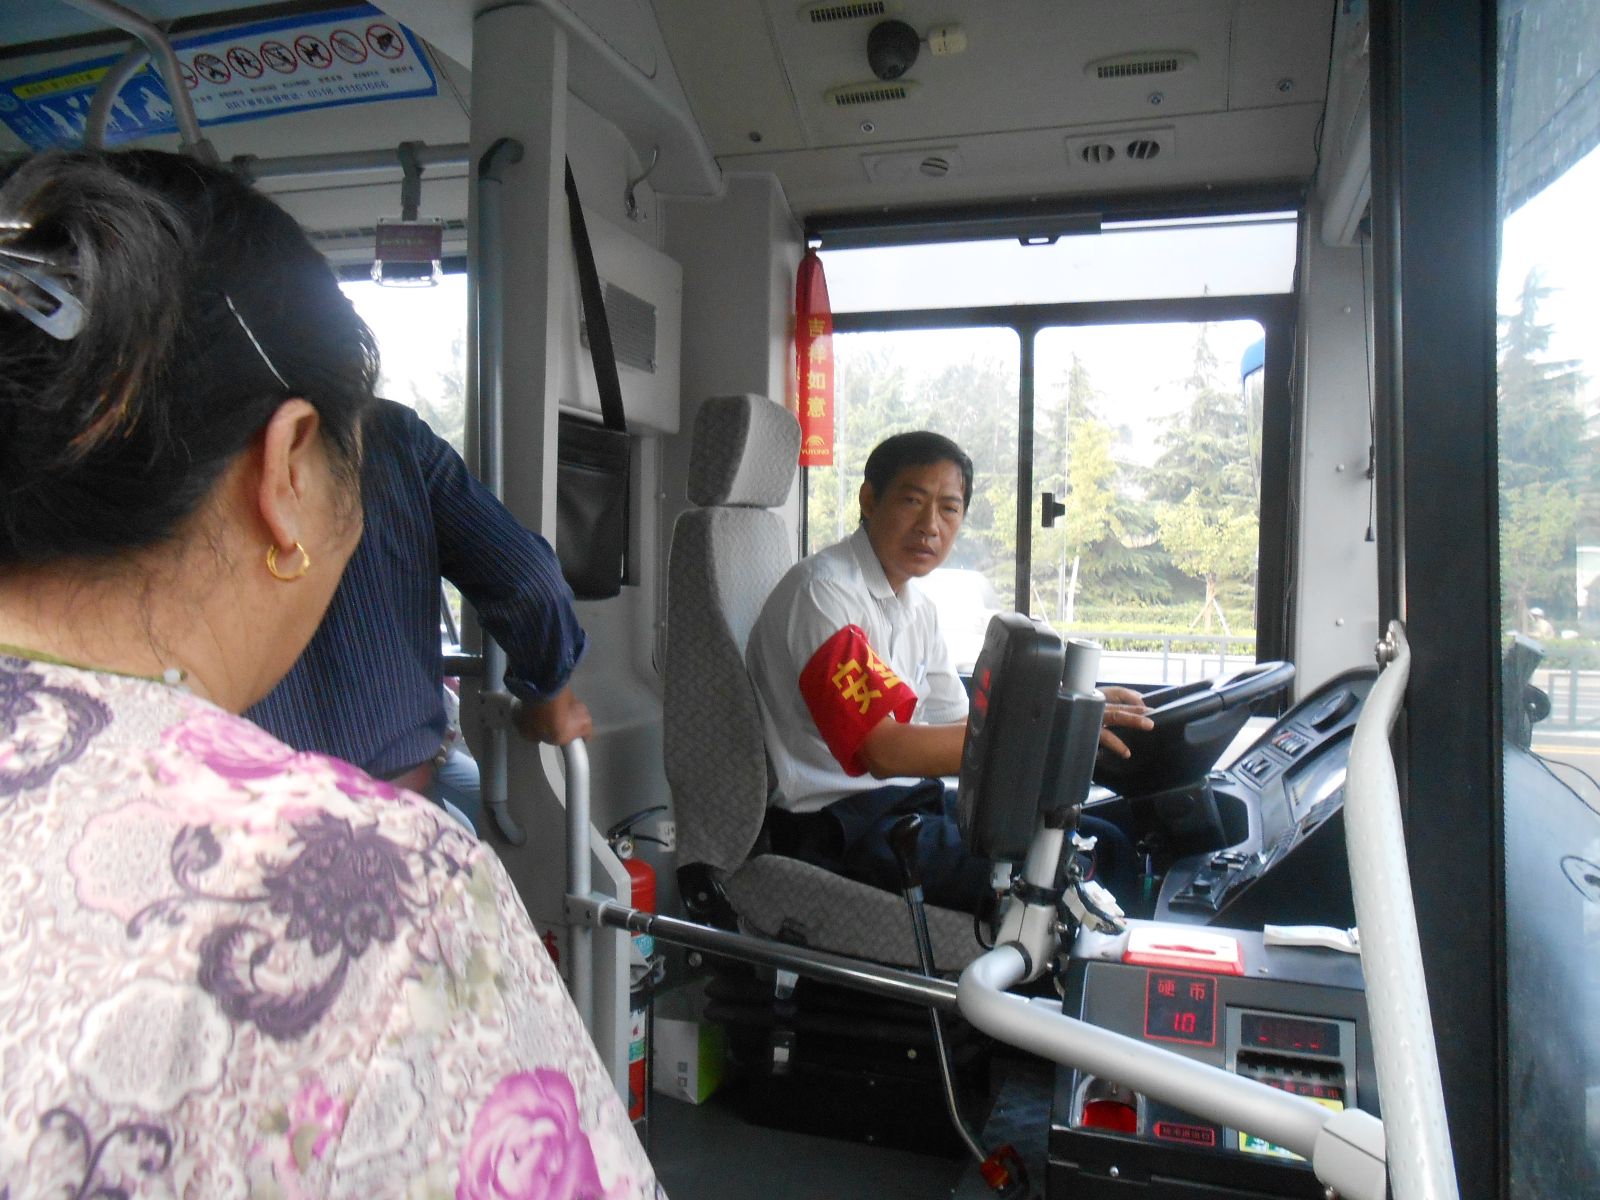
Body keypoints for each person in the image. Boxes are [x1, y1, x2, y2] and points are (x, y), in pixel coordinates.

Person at [0, 149, 659, 1199]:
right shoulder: (396, 894)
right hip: (400, 783)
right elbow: (529, 579)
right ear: (288, 466)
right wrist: (549, 694)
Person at [746, 431, 1152, 916]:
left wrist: (1063, 709)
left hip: (904, 806)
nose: (930, 526)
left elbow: (966, 727)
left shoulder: (916, 606)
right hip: (838, 826)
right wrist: (1045, 732)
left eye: (949, 509)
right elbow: (884, 751)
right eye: (913, 501)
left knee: (1107, 839)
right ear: (869, 500)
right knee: (1075, 867)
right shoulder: (822, 594)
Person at [246, 394, 593, 836]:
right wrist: (552, 703)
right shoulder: (388, 433)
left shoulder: (190, 455)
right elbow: (531, 582)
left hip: (245, 825)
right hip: (398, 818)